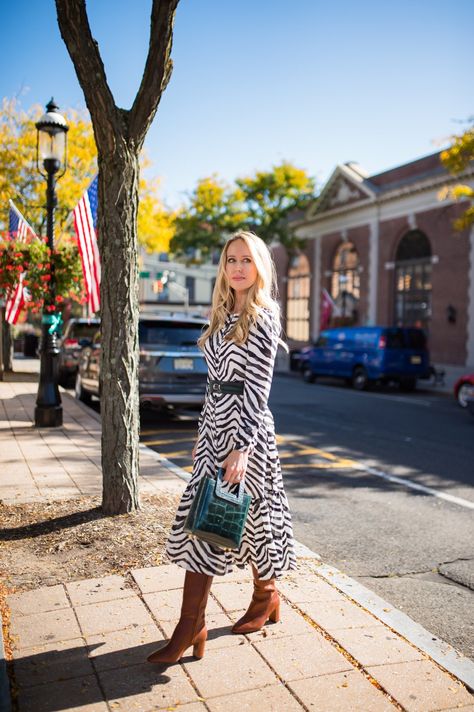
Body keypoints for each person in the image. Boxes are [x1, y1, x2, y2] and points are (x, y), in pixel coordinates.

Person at [147, 230, 296, 665]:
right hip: (215, 428)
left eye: (246, 260)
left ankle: (191, 625)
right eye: (231, 259)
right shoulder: (222, 313)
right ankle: (263, 597)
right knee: (241, 524)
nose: (237, 267)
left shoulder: (263, 316)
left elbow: (258, 388)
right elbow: (214, 386)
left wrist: (241, 447)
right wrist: (202, 436)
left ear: (259, 266)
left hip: (244, 434)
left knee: (218, 526)